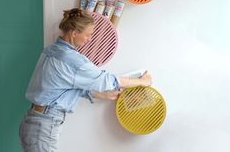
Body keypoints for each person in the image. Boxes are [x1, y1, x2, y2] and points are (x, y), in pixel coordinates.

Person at [19, 8, 152, 152]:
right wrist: (141, 82)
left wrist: (101, 95)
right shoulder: (73, 61)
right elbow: (106, 80)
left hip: (33, 122)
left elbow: (61, 86)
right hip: (43, 128)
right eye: (88, 35)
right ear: (74, 33)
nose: (89, 39)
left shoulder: (51, 50)